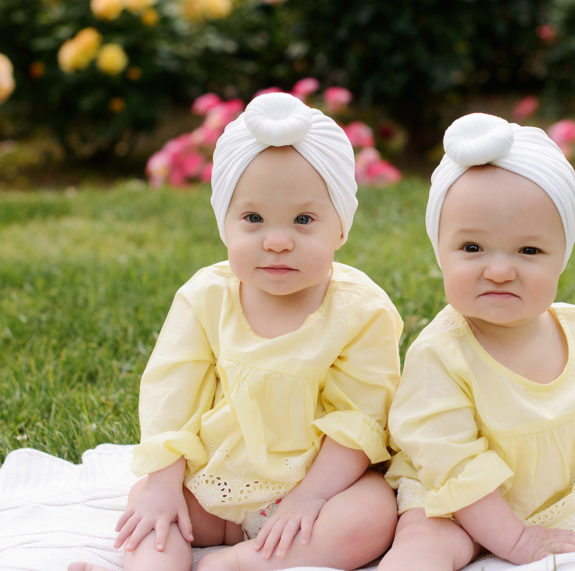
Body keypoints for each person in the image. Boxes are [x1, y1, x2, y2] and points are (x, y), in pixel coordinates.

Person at [70, 92, 403, 571]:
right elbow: (172, 395)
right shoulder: (206, 296)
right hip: (216, 481)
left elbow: (359, 421)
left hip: (319, 489)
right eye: (252, 219)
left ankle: (241, 563)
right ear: (224, 224)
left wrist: (310, 498)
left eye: (304, 220)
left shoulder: (360, 310)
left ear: (341, 228)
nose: (277, 240)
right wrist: (165, 485)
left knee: (373, 514)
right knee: (151, 500)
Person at [380, 112, 575, 570]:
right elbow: (452, 464)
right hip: (463, 501)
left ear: (562, 257)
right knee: (423, 539)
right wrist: (516, 540)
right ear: (440, 251)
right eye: (472, 248)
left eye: (528, 251)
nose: (499, 270)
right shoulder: (439, 355)